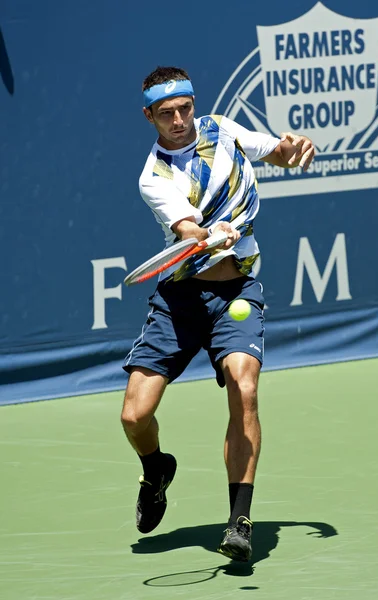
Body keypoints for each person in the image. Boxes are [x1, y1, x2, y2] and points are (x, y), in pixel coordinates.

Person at [121, 66, 315, 562]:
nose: (180, 120)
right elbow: (188, 230)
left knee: (244, 388)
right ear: (149, 117)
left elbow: (276, 153)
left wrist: (293, 150)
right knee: (134, 415)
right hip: (181, 298)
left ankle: (240, 519)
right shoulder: (154, 177)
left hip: (239, 293)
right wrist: (209, 235)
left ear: (193, 103)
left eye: (185, 108)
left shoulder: (223, 130)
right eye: (167, 114)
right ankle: (156, 467)